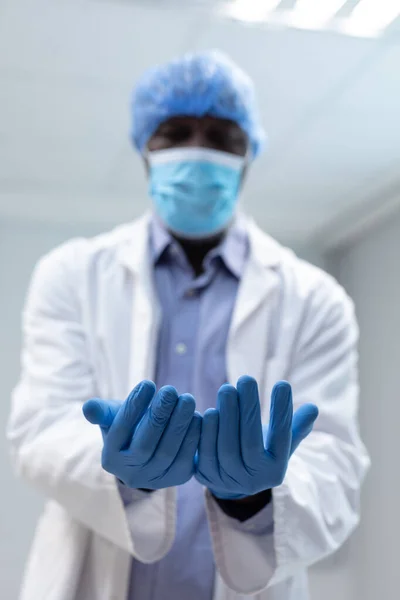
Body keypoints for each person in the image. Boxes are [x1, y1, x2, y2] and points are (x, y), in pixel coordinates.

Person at [7, 50, 370, 600]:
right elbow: (40, 432)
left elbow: (335, 467)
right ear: (144, 150)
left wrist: (252, 498)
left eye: (224, 137)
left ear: (249, 155)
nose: (198, 150)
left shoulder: (317, 300)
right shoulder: (71, 275)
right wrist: (127, 476)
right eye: (175, 132)